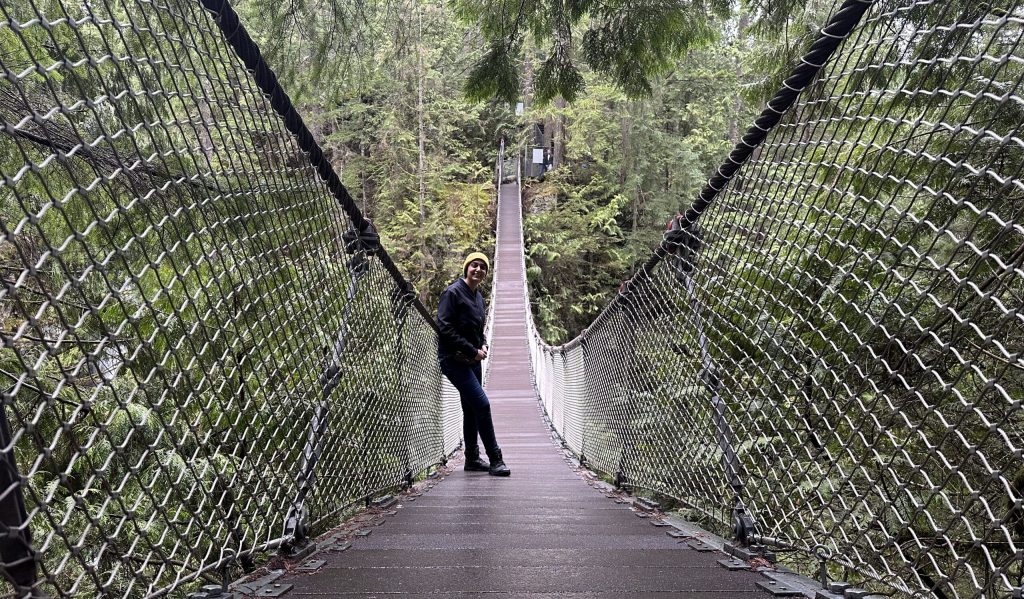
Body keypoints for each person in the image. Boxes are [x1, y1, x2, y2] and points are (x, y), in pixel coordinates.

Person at [437, 252, 511, 477]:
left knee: (470, 409)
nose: (478, 270)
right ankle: (496, 459)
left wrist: (484, 345)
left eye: (483, 267)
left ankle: (471, 458)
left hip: (472, 360)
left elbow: (478, 329)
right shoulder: (452, 292)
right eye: (474, 265)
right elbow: (444, 327)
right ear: (466, 268)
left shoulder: (478, 296)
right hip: (454, 360)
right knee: (482, 405)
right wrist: (473, 350)